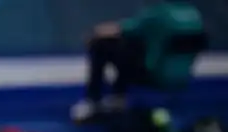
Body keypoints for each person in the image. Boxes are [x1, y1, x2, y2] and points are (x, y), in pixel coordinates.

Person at [71, 0, 206, 122]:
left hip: (153, 76)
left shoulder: (159, 15)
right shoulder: (194, 15)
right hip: (182, 78)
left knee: (103, 44)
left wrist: (92, 34)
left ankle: (98, 99)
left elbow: (118, 29)